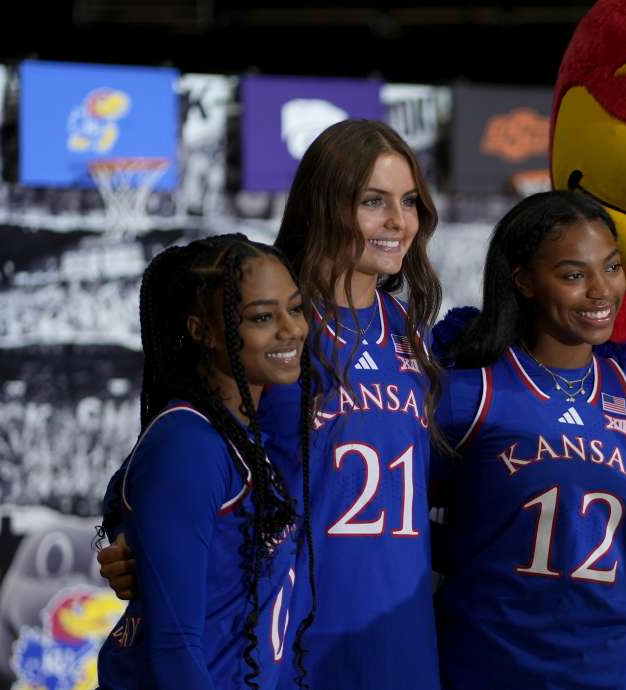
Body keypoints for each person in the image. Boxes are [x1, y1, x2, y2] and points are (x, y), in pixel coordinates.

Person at [99, 120, 448, 690]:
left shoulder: (410, 332)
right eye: (373, 202)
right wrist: (116, 537)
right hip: (289, 644)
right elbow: (153, 465)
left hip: (401, 640)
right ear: (325, 205)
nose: (398, 221)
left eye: (409, 201)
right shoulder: (272, 332)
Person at [432, 190, 626, 689]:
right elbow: (404, 522)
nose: (601, 291)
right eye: (574, 275)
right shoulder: (471, 392)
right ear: (524, 281)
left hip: (608, 670)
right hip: (492, 667)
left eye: (612, 267)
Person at [96, 234, 313, 690]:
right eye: (262, 317)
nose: (290, 329)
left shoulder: (239, 431)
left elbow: (123, 496)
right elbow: (175, 649)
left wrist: (121, 535)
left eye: (295, 308)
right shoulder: (188, 444)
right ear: (203, 331)